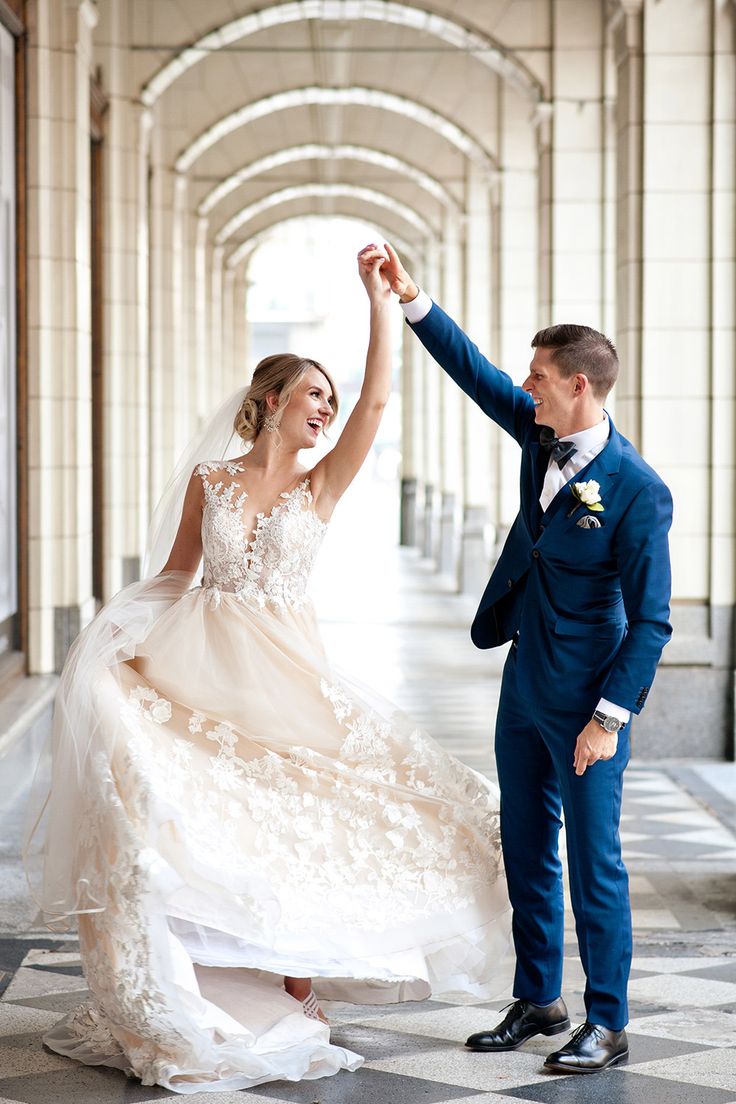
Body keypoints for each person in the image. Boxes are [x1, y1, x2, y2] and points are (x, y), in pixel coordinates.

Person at [24, 245, 511, 1094]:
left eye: (330, 396)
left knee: (302, 814)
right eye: (313, 394)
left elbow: (380, 397)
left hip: (283, 669)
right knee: (200, 814)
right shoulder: (212, 481)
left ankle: (298, 977)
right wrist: (117, 635)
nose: (326, 407)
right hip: (198, 662)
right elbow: (180, 576)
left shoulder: (320, 486)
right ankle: (197, 975)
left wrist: (380, 299)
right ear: (272, 402)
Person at [370, 243, 673, 1074]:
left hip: (588, 704)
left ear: (579, 384)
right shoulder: (536, 438)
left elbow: (653, 622)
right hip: (522, 688)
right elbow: (474, 375)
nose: (526, 384)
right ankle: (539, 999)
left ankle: (606, 1021)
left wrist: (610, 719)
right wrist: (412, 298)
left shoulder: (639, 491)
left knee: (593, 861)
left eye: (539, 375)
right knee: (527, 846)